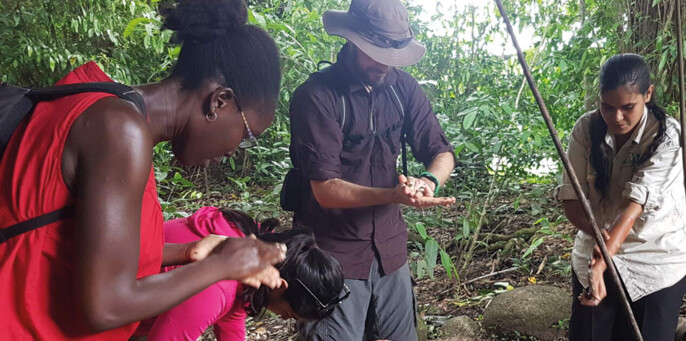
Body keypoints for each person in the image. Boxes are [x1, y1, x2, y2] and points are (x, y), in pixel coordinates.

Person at [0, 0, 286, 340]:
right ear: (218, 101)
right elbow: (105, 306)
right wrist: (221, 268)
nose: (233, 153)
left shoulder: (103, 104)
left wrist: (187, 252)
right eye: (247, 136)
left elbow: (81, 244)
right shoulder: (121, 132)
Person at [283, 0, 456, 339]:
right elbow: (326, 189)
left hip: (390, 250)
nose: (384, 65)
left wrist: (429, 181)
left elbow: (442, 152)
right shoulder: (317, 96)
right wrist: (393, 195)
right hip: (331, 255)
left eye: (392, 57)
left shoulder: (403, 88)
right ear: (352, 41)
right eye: (375, 53)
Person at [558, 54, 686, 341]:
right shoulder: (586, 129)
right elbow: (572, 200)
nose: (617, 117)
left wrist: (603, 259)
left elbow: (635, 207)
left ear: (648, 94)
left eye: (627, 107)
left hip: (655, 256)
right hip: (596, 245)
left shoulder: (669, 137)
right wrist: (597, 239)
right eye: (608, 107)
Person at [133, 207, 346, 341]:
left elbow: (232, 316)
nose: (282, 317)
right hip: (112, 314)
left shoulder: (249, 251)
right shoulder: (214, 287)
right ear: (280, 286)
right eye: (288, 314)